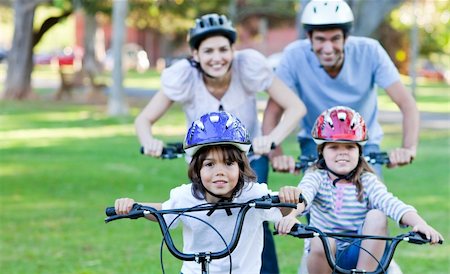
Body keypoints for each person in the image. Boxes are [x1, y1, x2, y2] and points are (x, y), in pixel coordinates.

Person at [134, 13, 306, 273]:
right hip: (205, 161)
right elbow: (144, 120)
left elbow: (295, 107)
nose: (217, 57)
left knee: (254, 216)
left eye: (223, 49)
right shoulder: (184, 77)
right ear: (195, 54)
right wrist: (150, 142)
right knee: (200, 215)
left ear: (233, 50)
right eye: (208, 51)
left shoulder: (247, 67)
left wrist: (270, 140)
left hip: (245, 158)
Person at [116, 111, 303, 274]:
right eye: (210, 164)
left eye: (228, 163)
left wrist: (290, 198)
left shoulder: (252, 194)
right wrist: (135, 207)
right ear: (197, 170)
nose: (219, 171)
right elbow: (164, 211)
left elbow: (290, 206)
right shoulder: (187, 196)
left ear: (241, 167)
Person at [275, 106, 444, 274]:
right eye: (333, 147)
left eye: (350, 147)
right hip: (324, 256)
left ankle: (364, 273)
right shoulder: (316, 177)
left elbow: (391, 203)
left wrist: (420, 224)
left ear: (360, 151)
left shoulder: (367, 180)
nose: (342, 153)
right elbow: (303, 196)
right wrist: (291, 216)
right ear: (321, 152)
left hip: (361, 254)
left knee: (377, 216)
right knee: (322, 240)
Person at [263, 0, 419, 176]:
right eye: (320, 39)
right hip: (315, 144)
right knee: (312, 197)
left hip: (363, 143)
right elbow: (272, 112)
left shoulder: (370, 51)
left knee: (374, 196)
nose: (328, 48)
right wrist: (277, 155)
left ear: (346, 37)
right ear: (309, 37)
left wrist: (408, 149)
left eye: (335, 39)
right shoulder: (294, 56)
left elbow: (406, 103)